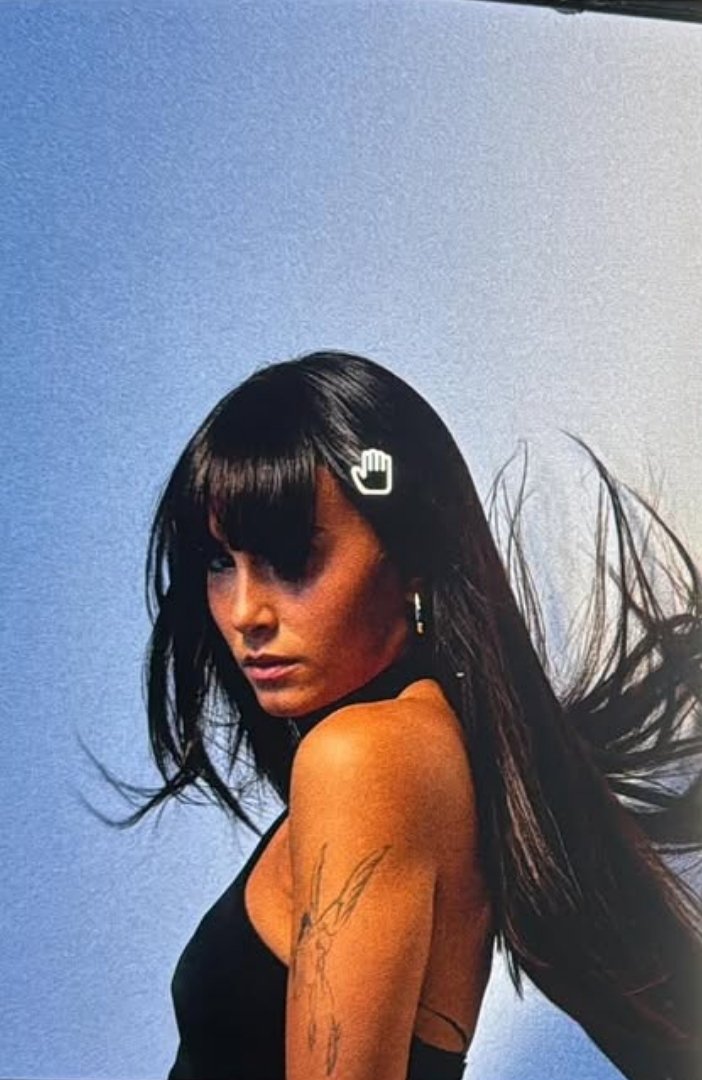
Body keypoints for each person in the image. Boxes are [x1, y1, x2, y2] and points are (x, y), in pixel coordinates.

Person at [129, 351, 701, 1080]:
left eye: (291, 559)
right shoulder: (435, 749)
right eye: (219, 563)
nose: (245, 613)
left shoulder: (362, 757)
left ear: (412, 560)